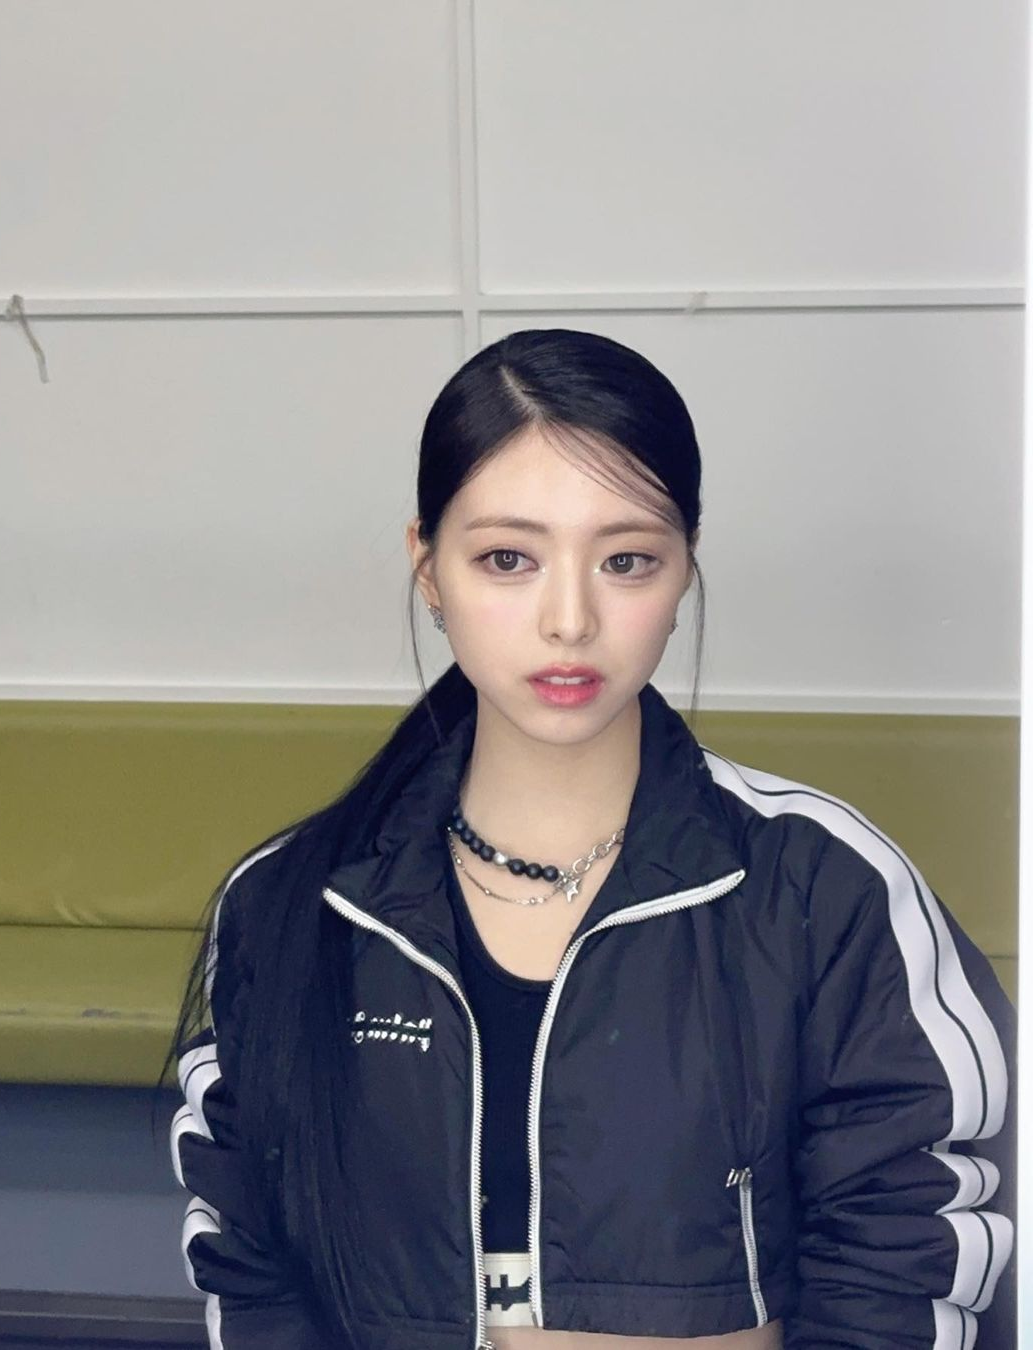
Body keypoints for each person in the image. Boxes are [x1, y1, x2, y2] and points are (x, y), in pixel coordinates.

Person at [166, 329, 1016, 1350]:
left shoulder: (829, 892)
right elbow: (252, 1267)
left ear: (684, 570)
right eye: (508, 559)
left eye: (626, 560)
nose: (569, 620)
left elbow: (909, 1256)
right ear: (428, 568)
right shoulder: (285, 905)